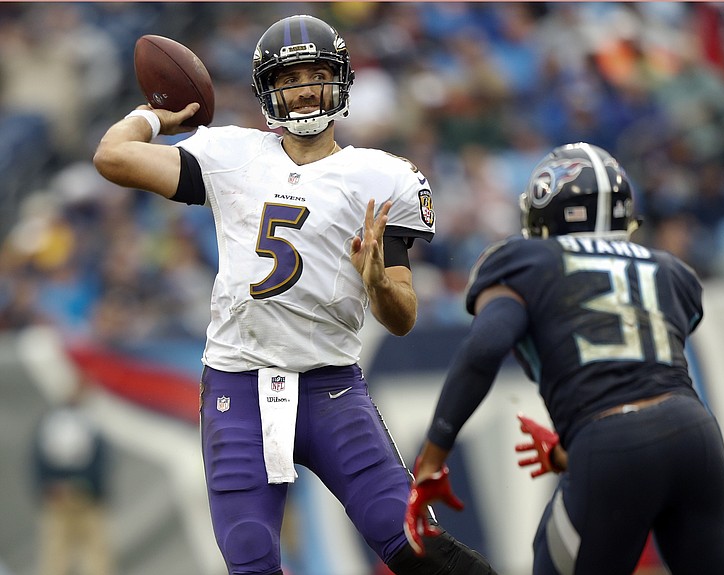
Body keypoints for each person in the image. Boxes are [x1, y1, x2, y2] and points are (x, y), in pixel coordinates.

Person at [93, 14, 495, 575]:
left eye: (316, 73)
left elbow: (401, 318)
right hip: (239, 387)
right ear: (267, 90)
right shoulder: (231, 153)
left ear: (342, 80)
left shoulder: (381, 177)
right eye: (290, 76)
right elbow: (113, 156)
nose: (305, 87)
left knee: (412, 543)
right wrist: (150, 114)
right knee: (252, 561)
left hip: (330, 388)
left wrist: (377, 280)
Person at [404, 142, 724, 574]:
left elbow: (487, 345)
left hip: (610, 442)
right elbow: (643, 378)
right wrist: (571, 447)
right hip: (696, 437)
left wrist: (432, 458)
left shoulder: (523, 260)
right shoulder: (671, 270)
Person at [32, 380, 113, 575]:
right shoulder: (53, 422)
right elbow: (38, 460)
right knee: (56, 554)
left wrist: (91, 487)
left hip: (87, 497)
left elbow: (100, 460)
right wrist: (48, 487)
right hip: (59, 498)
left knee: (96, 555)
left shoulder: (90, 421)